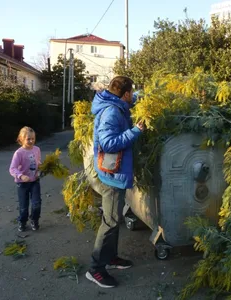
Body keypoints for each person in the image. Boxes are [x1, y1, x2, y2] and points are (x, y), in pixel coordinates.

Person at [85, 76, 144, 288]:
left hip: (115, 172)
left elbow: (134, 99)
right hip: (112, 174)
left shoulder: (116, 103)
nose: (132, 96)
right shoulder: (112, 111)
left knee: (115, 218)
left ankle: (110, 258)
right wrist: (135, 131)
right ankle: (95, 269)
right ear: (125, 93)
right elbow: (109, 143)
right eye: (132, 93)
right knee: (109, 221)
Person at [9, 126, 42, 232]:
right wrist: (21, 176)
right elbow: (12, 169)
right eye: (28, 139)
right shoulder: (19, 153)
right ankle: (22, 221)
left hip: (35, 182)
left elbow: (38, 163)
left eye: (33, 138)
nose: (31, 141)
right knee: (24, 207)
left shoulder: (37, 150)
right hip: (22, 184)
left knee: (36, 204)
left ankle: (34, 220)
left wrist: (39, 171)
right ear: (21, 139)